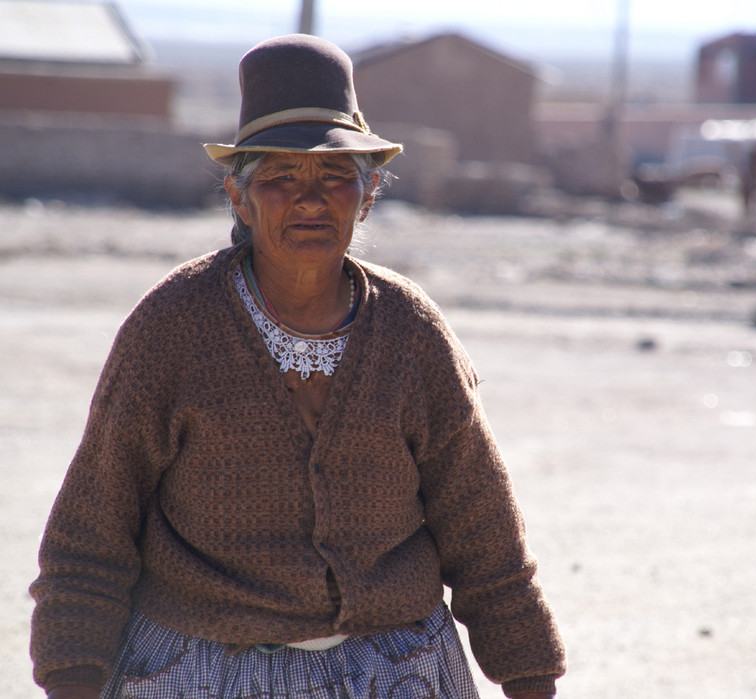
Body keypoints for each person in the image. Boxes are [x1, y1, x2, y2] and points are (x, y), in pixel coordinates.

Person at [30, 34, 565, 699]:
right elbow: (92, 531)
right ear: (239, 196)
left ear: (366, 197)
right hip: (200, 670)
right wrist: (71, 676)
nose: (310, 198)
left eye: (334, 175)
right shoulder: (172, 329)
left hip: (397, 669)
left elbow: (481, 524)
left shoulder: (411, 332)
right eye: (281, 176)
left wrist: (529, 675)